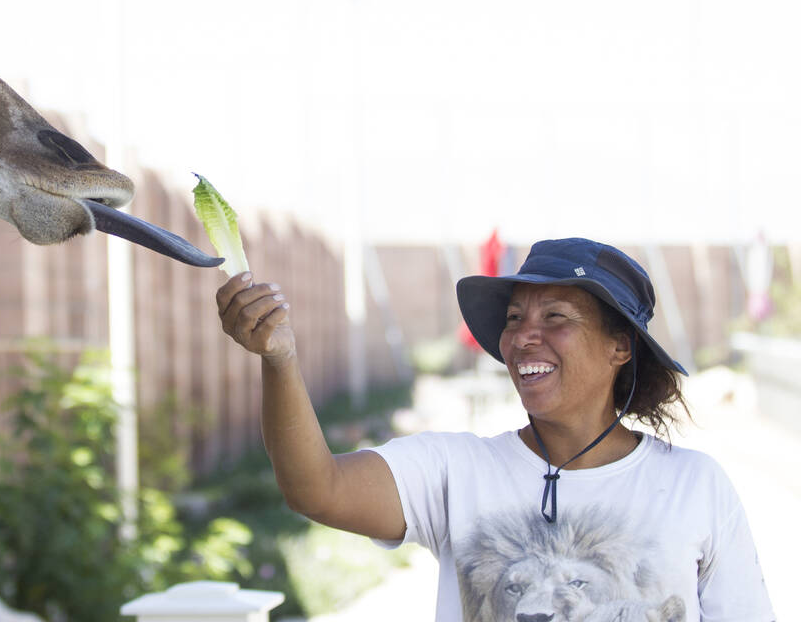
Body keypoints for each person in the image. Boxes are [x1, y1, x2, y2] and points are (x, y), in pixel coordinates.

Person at [216, 238, 774, 621]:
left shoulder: (695, 486)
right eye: (514, 319)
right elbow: (316, 487)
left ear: (619, 347)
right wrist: (280, 360)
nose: (523, 337)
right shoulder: (455, 472)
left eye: (555, 316)